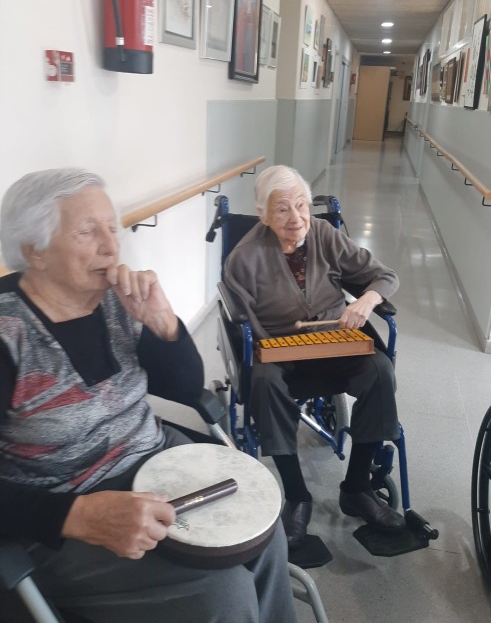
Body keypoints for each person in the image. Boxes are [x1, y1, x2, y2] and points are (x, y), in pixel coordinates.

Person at [0, 168, 297, 623]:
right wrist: (76, 515)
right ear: (33, 250)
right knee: (223, 595)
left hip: (154, 464)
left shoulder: (117, 300)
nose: (111, 246)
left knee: (264, 535)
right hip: (59, 514)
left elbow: (184, 389)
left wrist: (163, 324)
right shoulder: (9, 336)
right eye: (87, 232)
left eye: (112, 228)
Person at [224, 165, 405, 550]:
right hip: (279, 349)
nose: (296, 217)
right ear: (263, 215)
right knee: (263, 382)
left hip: (335, 341)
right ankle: (297, 495)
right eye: (282, 208)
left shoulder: (325, 234)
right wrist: (278, 351)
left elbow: (385, 276)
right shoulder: (245, 257)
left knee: (379, 370)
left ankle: (356, 488)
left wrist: (366, 301)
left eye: (302, 205)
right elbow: (244, 325)